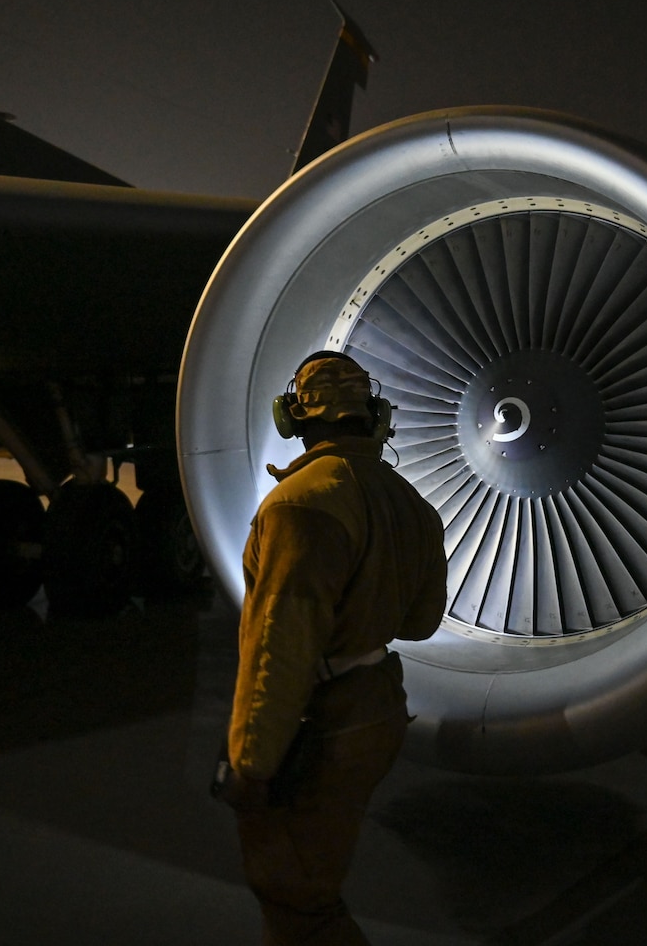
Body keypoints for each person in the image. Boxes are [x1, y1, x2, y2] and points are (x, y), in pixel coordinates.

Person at [216, 350, 448, 945]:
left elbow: (278, 650)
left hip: (318, 721)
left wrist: (251, 762)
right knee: (310, 881)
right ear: (375, 419)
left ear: (292, 418)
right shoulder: (414, 506)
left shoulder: (299, 505)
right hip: (377, 707)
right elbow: (421, 622)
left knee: (294, 894)